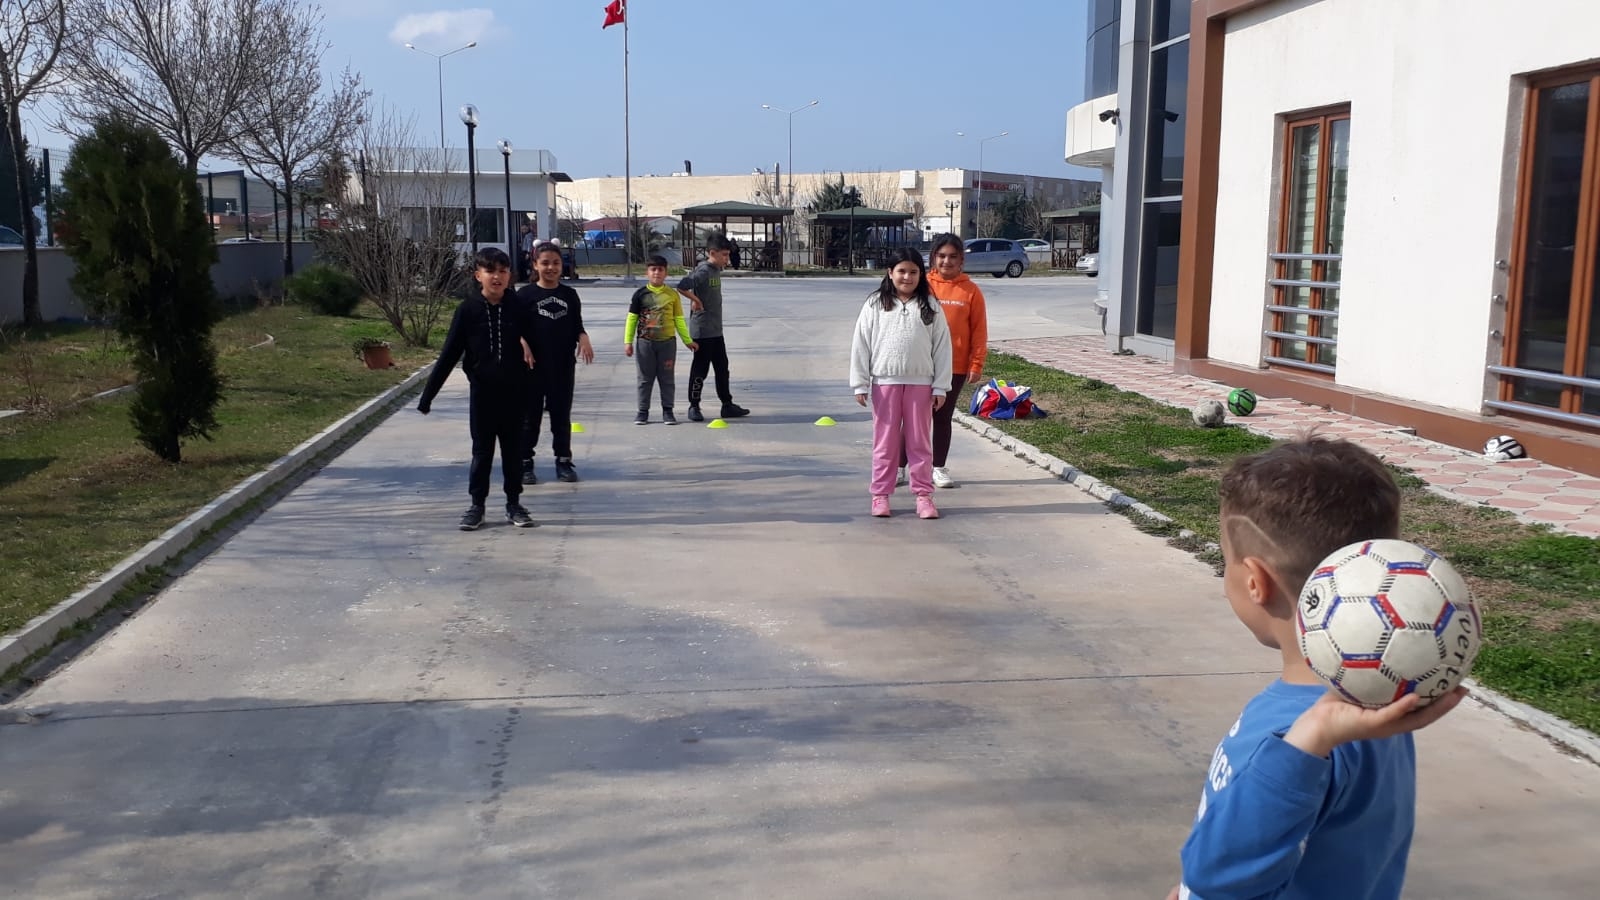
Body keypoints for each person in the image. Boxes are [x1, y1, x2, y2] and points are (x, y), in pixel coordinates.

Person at [1170, 437, 1469, 900]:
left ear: (1255, 582)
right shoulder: (1379, 700)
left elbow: (1219, 875)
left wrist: (1203, 885)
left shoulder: (1304, 735)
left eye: (1225, 564)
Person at [416, 247, 537, 531]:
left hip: (515, 393)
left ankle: (514, 504)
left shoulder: (519, 307)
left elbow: (538, 346)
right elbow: (449, 354)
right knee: (482, 452)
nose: (497, 277)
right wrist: (427, 396)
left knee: (513, 452)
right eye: (490, 271)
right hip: (483, 394)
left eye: (502, 271)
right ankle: (477, 506)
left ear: (509, 275)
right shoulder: (467, 311)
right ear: (478, 275)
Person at [849, 247, 952, 520]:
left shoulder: (931, 306)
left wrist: (940, 386)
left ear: (921, 274)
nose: (907, 277)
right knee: (885, 443)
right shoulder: (875, 304)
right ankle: (880, 495)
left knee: (919, 443)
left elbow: (942, 349)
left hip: (921, 385)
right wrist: (860, 383)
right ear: (890, 273)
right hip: (885, 384)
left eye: (913, 272)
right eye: (901, 271)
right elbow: (861, 343)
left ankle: (923, 496)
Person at [899, 233, 988, 489]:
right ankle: (899, 467)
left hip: (954, 366)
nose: (946, 261)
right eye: (941, 256)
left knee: (942, 417)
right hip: (920, 365)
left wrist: (976, 363)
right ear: (933, 258)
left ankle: (938, 467)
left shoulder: (971, 291)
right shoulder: (922, 285)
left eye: (952, 256)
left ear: (961, 260)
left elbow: (979, 331)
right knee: (914, 418)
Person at [518, 241, 595, 485]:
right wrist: (521, 343)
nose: (550, 268)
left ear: (562, 265)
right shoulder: (525, 295)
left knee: (561, 416)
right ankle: (524, 462)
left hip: (562, 365)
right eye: (545, 263)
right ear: (535, 265)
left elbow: (577, 325)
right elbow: (513, 328)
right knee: (530, 417)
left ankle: (563, 460)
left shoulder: (569, 295)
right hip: (531, 368)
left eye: (555, 263)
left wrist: (583, 337)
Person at [678, 233, 750, 421]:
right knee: (700, 370)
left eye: (728, 255)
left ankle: (727, 405)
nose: (727, 259)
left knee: (722, 368)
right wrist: (696, 300)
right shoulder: (703, 270)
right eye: (724, 255)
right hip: (702, 331)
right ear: (712, 253)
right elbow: (682, 286)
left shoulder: (716, 270)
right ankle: (694, 406)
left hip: (716, 330)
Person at [625, 255, 698, 425]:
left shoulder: (672, 295)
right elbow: (632, 319)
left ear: (666, 273)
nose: (656, 273)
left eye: (660, 269)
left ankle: (668, 411)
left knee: (667, 379)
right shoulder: (640, 294)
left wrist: (687, 340)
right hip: (645, 343)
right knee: (644, 379)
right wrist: (627, 342)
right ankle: (643, 411)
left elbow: (679, 319)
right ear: (647, 273)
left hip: (667, 344)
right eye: (653, 269)